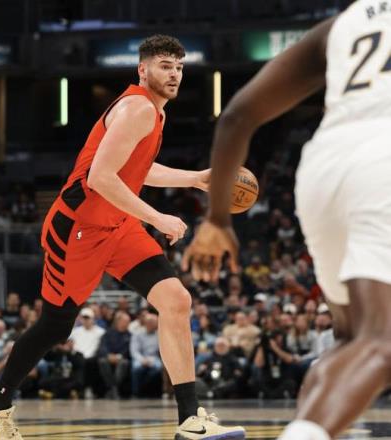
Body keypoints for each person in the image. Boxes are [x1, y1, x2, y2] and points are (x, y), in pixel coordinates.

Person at [0, 34, 245, 440]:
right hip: (77, 229)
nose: (174, 74)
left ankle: (190, 419)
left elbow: (136, 168)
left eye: (178, 67)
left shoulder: (154, 112)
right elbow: (101, 177)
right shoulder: (137, 108)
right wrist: (157, 217)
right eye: (165, 66)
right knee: (55, 326)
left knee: (176, 300)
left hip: (118, 226)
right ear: (143, 70)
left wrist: (194, 179)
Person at [182, 1, 391, 439]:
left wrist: (217, 218)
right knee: (382, 341)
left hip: (323, 166)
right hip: (382, 164)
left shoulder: (344, 24)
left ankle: (306, 429)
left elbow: (237, 115)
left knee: (351, 339)